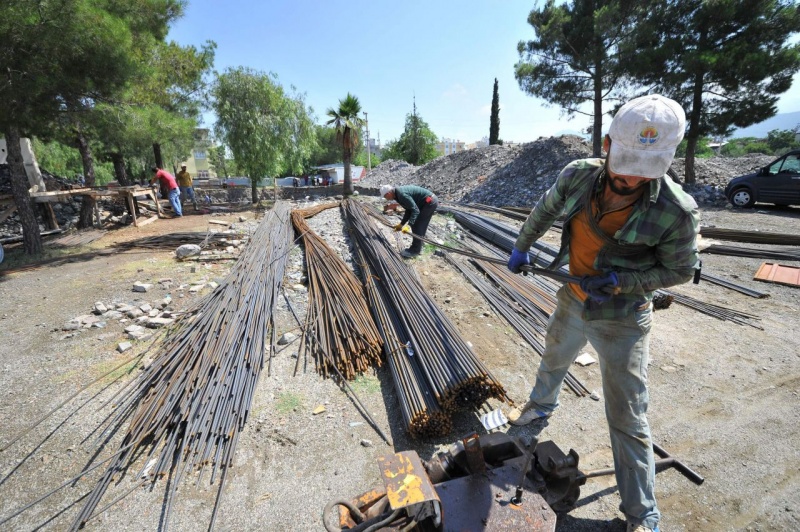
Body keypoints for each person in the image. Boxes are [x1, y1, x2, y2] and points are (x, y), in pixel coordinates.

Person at [505, 94, 699, 532]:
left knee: (628, 417)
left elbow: (680, 270)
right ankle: (537, 412)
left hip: (623, 317)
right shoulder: (578, 175)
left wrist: (621, 282)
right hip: (575, 298)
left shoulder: (675, 211)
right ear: (608, 144)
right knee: (554, 358)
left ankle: (643, 517)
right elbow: (546, 209)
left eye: (642, 169)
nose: (630, 176)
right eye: (624, 161)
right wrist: (522, 244)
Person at [380, 184, 439, 258]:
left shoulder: (402, 194)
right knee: (417, 224)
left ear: (389, 193)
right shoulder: (397, 195)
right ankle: (418, 245)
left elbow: (415, 210)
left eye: (385, 197)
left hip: (429, 202)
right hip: (424, 203)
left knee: (418, 224)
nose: (386, 199)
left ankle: (415, 251)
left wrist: (408, 225)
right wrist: (401, 224)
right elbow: (409, 210)